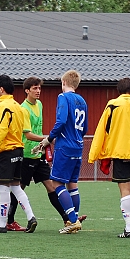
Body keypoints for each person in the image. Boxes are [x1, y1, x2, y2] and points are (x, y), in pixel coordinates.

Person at [88, 77, 130, 238]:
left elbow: (101, 130)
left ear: (118, 91)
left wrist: (94, 154)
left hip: (120, 153)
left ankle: (128, 228)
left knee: (124, 190)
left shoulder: (112, 106)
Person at [6, 77, 70, 232]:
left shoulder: (39, 105)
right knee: (18, 188)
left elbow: (38, 130)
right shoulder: (23, 108)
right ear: (27, 90)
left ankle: (67, 219)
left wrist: (45, 142)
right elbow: (28, 135)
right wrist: (48, 138)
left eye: (39, 88)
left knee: (51, 185)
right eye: (34, 88)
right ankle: (9, 220)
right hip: (26, 154)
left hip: (38, 153)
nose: (38, 91)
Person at [32, 71, 88, 234]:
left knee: (56, 183)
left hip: (65, 146)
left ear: (64, 82)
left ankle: (72, 221)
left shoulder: (63, 98)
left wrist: (49, 139)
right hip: (78, 145)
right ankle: (75, 220)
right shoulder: (82, 100)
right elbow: (84, 128)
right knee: (72, 183)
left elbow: (61, 121)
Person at [0, 74, 37, 234]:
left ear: (1, 89)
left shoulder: (2, 106)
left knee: (3, 187)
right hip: (19, 150)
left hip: (6, 151)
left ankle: (1, 223)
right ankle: (31, 217)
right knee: (16, 187)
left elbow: (1, 130)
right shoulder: (19, 107)